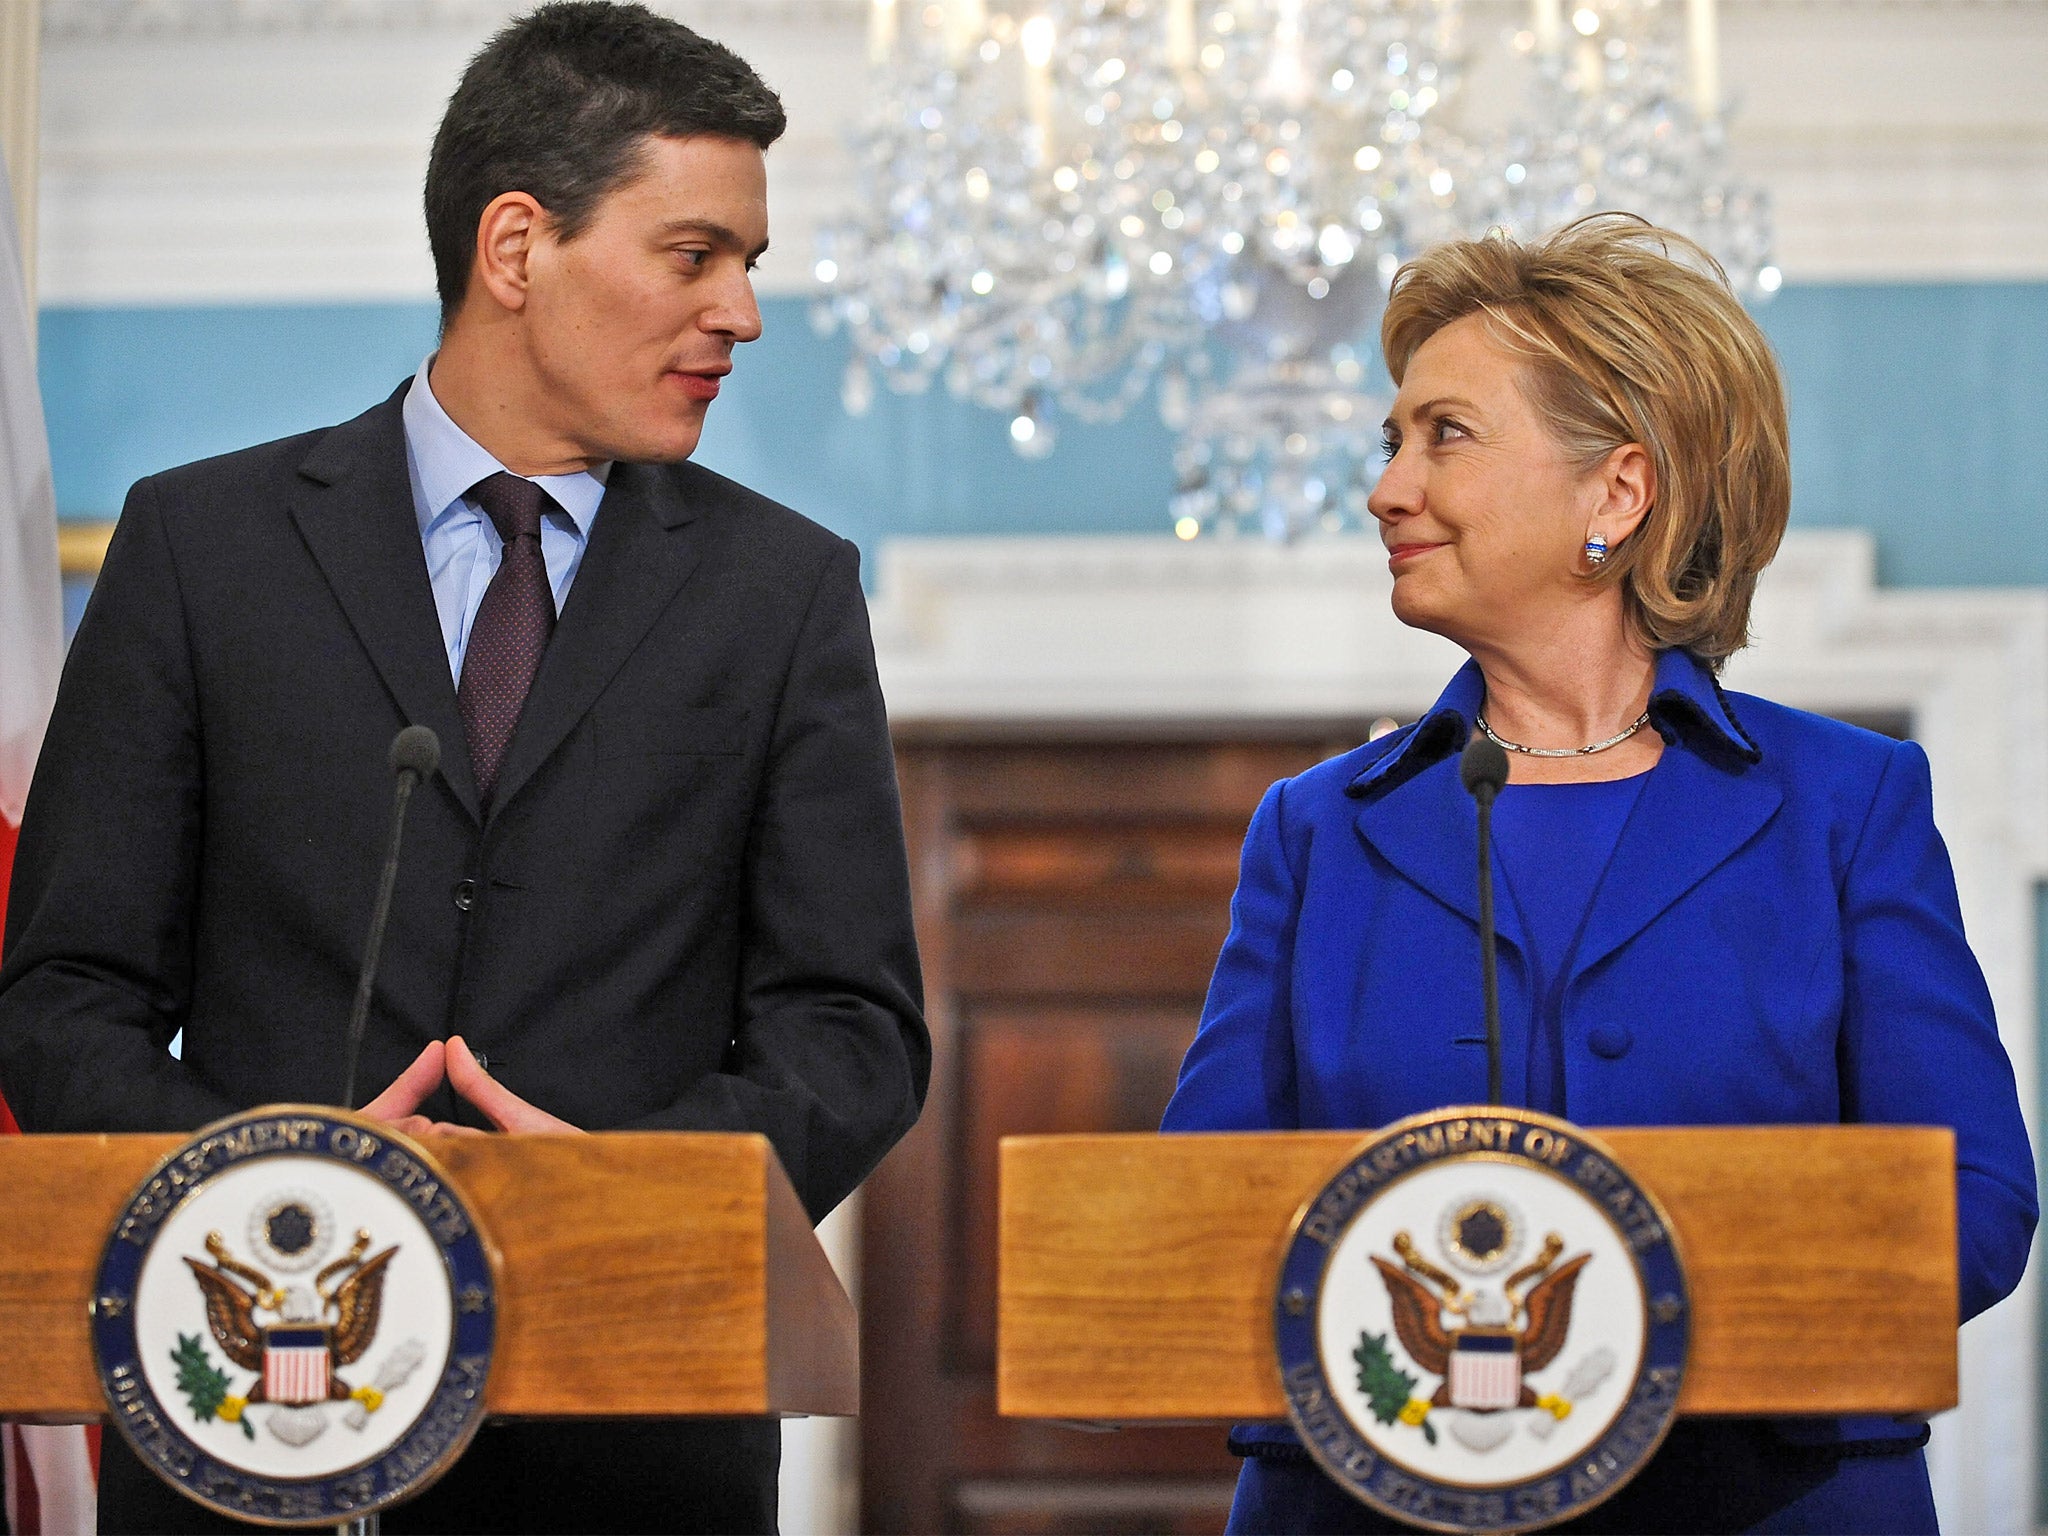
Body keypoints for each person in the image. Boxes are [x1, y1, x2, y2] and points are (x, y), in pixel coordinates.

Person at [0, 4, 929, 1531]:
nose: (744, 314)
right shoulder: (201, 547)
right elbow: (63, 999)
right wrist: (274, 1182)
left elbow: (854, 1032)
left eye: (747, 265)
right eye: (696, 256)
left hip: (631, 1445)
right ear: (515, 249)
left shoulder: (786, 594)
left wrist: (611, 1194)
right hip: (255, 1410)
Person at [1161, 215, 2036, 1534]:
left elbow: (1974, 1204)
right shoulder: (1316, 830)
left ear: (1617, 494)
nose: (1387, 487)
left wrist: (1624, 1325)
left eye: (1443, 435)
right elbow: (1192, 1216)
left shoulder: (1845, 806)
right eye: (1389, 442)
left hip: (1769, 1502)